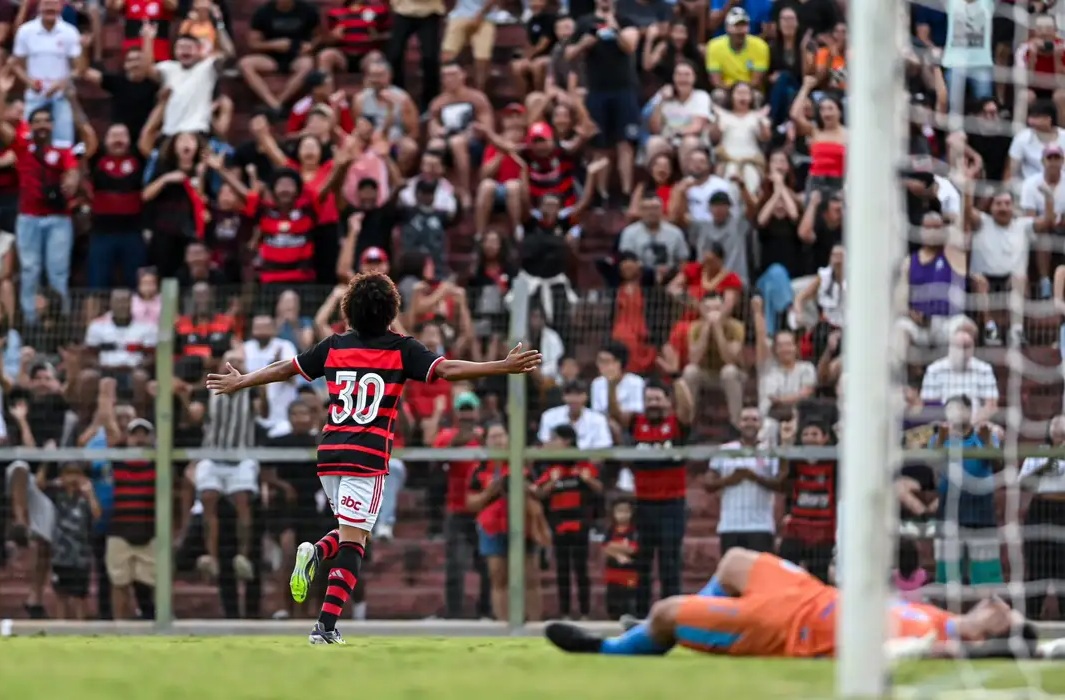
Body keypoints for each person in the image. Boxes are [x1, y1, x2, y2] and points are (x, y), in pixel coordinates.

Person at [205, 271, 542, 644]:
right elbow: (447, 369)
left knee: (352, 531)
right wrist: (501, 366)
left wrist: (242, 381)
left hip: (330, 452)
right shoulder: (401, 348)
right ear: (390, 310)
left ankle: (316, 557)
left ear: (349, 310)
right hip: (366, 456)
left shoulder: (334, 345)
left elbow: (288, 369)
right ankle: (325, 626)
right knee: (354, 543)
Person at [545, 548, 1039, 659]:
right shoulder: (942, 616)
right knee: (736, 560)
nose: (994, 603)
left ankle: (611, 647)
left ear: (985, 634)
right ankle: (657, 627)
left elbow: (956, 651)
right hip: (807, 593)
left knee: (667, 613)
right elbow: (1015, 627)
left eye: (997, 614)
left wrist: (1014, 644)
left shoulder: (933, 638)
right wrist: (1021, 627)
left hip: (781, 625)